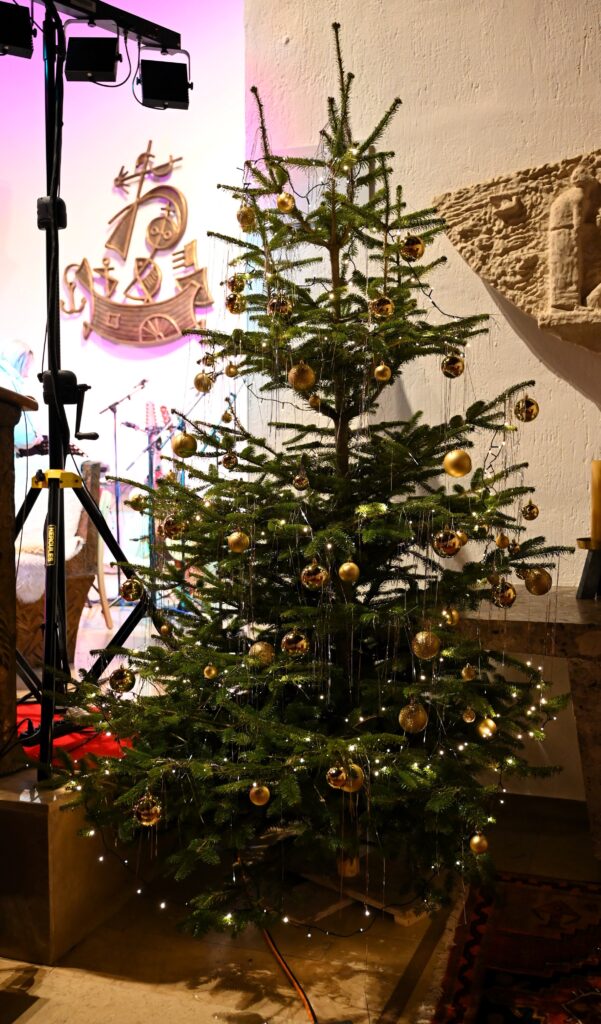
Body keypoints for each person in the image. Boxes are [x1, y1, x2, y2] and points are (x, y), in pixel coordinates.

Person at [0, 340, 40, 450]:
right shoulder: (8, 382)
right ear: (18, 360)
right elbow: (22, 435)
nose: (26, 375)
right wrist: (35, 438)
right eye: (27, 367)